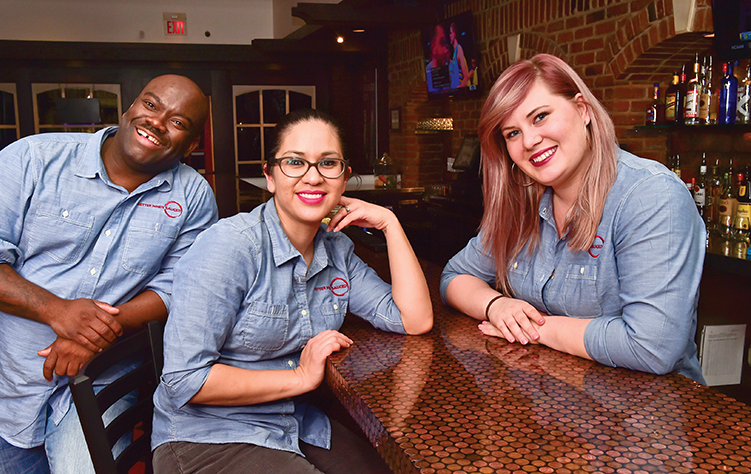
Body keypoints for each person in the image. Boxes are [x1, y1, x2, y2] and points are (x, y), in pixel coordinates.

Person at [0, 74, 219, 474]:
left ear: (192, 144)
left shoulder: (193, 195)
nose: (158, 122)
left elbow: (181, 286)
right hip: (0, 388)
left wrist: (94, 335)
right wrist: (58, 311)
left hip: (100, 385)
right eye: (150, 105)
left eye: (178, 122)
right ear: (129, 108)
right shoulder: (33, 158)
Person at [152, 108, 433, 474]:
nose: (313, 177)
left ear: (345, 178)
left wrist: (390, 224)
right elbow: (184, 380)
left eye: (328, 163)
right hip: (207, 439)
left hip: (295, 422)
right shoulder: (229, 247)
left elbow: (414, 319)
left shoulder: (336, 249)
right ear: (269, 177)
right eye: (295, 162)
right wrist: (300, 377)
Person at [440, 54, 706, 384]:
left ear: (582, 110)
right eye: (512, 133)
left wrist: (534, 329)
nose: (529, 141)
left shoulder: (651, 197)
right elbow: (454, 277)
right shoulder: (522, 201)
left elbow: (652, 346)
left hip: (646, 416)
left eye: (540, 117)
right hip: (552, 405)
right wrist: (495, 305)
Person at [448, 22, 473, 89]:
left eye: (450, 33)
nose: (449, 36)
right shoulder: (453, 54)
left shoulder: (459, 49)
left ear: (455, 34)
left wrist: (458, 88)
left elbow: (465, 77)